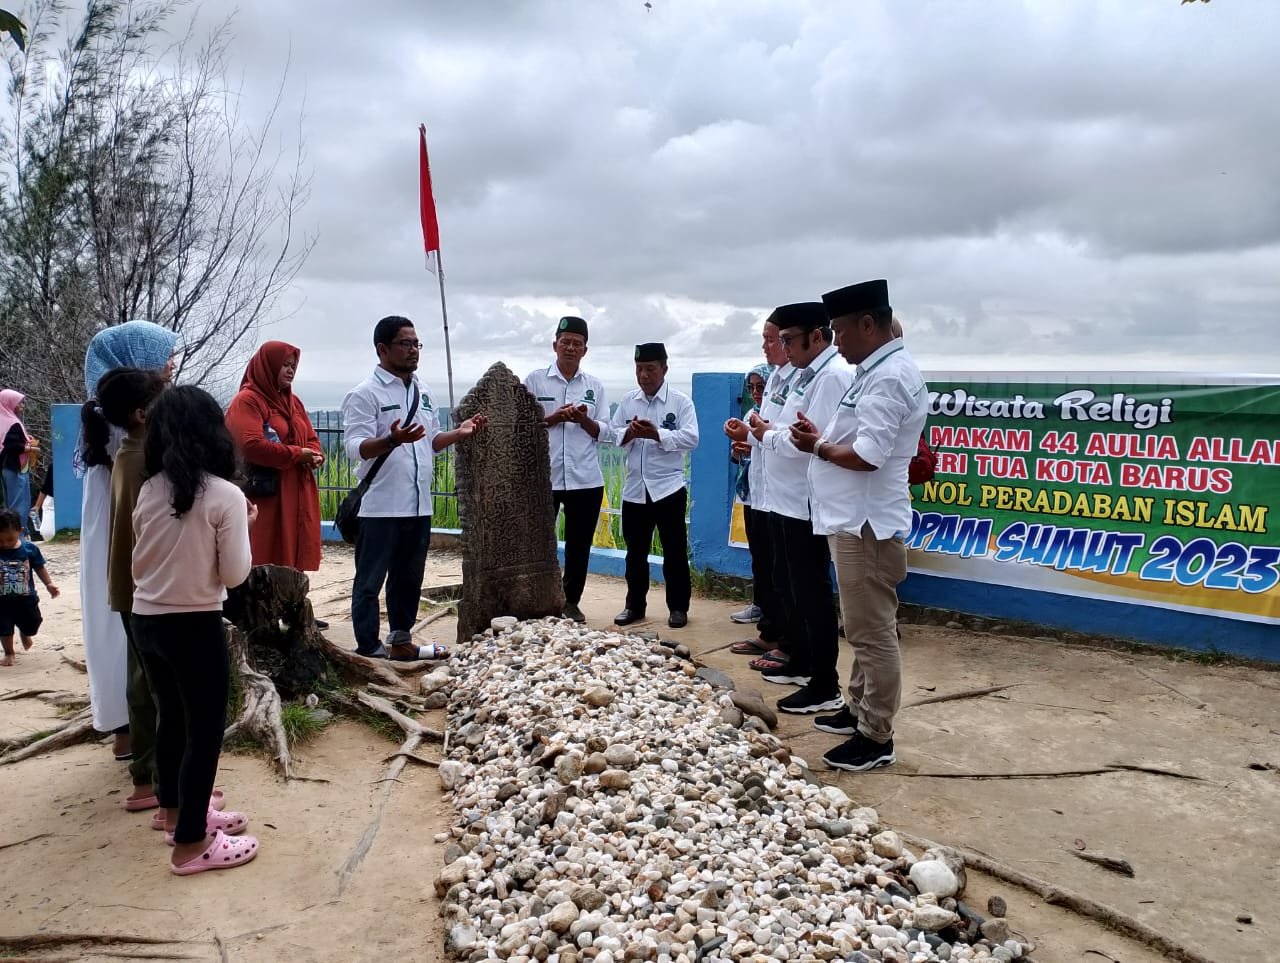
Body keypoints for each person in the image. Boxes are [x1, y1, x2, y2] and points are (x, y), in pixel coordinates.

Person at [791, 279, 929, 772]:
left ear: (867, 325)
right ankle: (856, 708)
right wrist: (823, 436)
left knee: (872, 633)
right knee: (863, 624)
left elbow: (868, 455)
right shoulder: (876, 371)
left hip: (866, 526)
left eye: (840, 330)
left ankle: (876, 735)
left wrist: (818, 448)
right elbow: (858, 434)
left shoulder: (888, 376)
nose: (836, 339)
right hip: (854, 520)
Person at [131, 386, 257, 874]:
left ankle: (172, 811)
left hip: (147, 621)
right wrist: (243, 523)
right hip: (194, 624)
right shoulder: (225, 495)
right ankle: (192, 844)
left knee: (173, 721)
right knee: (204, 733)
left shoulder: (149, 488)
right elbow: (234, 575)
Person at [725, 302, 853, 714]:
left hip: (806, 499)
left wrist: (763, 434)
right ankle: (800, 660)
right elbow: (779, 424)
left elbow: (805, 439)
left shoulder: (831, 377)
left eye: (787, 340)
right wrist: (759, 431)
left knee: (812, 592)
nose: (783, 348)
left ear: (816, 336)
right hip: (781, 498)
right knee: (791, 587)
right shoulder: (802, 374)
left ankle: (824, 680)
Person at [342, 316, 487, 660]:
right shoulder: (365, 393)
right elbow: (355, 446)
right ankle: (367, 647)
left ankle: (401, 641)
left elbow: (431, 441)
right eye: (405, 344)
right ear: (382, 349)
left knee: (408, 579)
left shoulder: (423, 392)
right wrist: (391, 439)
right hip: (380, 505)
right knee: (370, 581)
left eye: (416, 344)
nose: (413, 351)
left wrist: (460, 432)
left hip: (418, 504)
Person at [78, 321, 177, 761]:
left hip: (110, 534)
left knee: (115, 629)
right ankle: (145, 744)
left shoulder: (107, 419)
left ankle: (126, 733)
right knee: (136, 636)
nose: (171, 365)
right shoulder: (134, 432)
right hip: (131, 534)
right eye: (161, 358)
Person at [94, 367, 170, 811]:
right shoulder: (144, 460)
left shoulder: (129, 451)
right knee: (158, 687)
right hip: (147, 588)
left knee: (143, 682)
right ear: (142, 413)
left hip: (131, 585)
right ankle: (161, 785)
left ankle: (147, 780)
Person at [609, 343, 700, 629]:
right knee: (635, 553)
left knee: (674, 551)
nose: (644, 375)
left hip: (668, 488)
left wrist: (657, 434)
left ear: (664, 369)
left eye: (650, 369)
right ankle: (634, 606)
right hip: (635, 489)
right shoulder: (628, 401)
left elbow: (691, 439)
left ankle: (678, 608)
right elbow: (613, 435)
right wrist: (630, 433)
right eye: (639, 369)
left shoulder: (680, 402)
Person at [525, 317, 609, 623]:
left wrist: (583, 420)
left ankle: (570, 601)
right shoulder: (535, 381)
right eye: (566, 342)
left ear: (585, 350)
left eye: (577, 343)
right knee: (538, 540)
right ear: (554, 345)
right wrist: (554, 418)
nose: (571, 348)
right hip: (543, 477)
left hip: (585, 479)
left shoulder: (594, 387)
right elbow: (522, 425)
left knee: (579, 545)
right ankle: (539, 598)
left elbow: (606, 432)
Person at [225, 341, 325, 573]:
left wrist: (315, 455)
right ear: (267, 366)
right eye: (284, 365)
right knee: (266, 555)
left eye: (293, 366)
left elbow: (311, 438)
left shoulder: (293, 402)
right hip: (267, 493)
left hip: (295, 489)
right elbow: (250, 444)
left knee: (293, 562)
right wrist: (297, 454)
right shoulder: (248, 400)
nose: (290, 370)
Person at [0, 508, 59, 666]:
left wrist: (49, 584)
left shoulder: (29, 549)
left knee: (33, 623)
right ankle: (9, 653)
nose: (4, 544)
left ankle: (25, 633)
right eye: (0, 541)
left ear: (20, 531)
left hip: (26, 599)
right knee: (4, 628)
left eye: (9, 539)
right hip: (2, 602)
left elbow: (39, 567)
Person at [1, 390, 38, 534]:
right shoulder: (12, 423)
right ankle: (19, 537)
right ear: (10, 404)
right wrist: (28, 447)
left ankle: (10, 537)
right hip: (16, 468)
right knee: (19, 504)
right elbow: (11, 445)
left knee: (10, 505)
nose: (22, 406)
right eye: (19, 403)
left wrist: (24, 439)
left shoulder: (3, 419)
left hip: (6, 467)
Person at [28, 467, 53, 542]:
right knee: (48, 534)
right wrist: (37, 506)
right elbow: (45, 488)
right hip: (50, 500)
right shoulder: (52, 467)